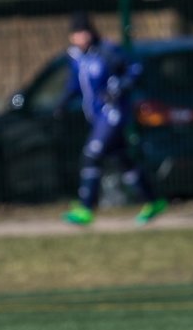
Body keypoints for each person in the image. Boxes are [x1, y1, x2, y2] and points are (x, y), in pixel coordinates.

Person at [55, 12, 167, 226]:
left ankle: (86, 208)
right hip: (96, 117)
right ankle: (153, 201)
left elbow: (135, 69)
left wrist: (119, 88)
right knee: (122, 159)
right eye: (77, 33)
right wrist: (62, 103)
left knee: (91, 154)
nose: (81, 37)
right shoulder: (76, 58)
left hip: (113, 114)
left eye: (84, 32)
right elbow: (74, 85)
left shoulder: (107, 51)